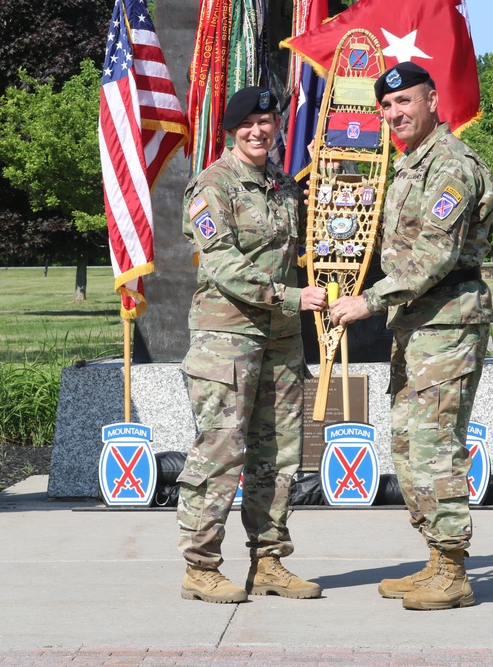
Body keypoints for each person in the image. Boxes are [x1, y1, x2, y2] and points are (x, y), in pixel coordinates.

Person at [328, 62, 493, 611]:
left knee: (437, 445)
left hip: (446, 323)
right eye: (387, 106)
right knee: (409, 444)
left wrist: (369, 300)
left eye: (406, 102)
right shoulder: (409, 167)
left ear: (432, 100)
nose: (396, 114)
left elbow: (435, 255)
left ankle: (453, 570)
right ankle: (435, 558)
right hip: (418, 327)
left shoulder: (450, 165)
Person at [176, 86, 328, 604]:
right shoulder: (211, 186)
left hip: (281, 339)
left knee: (279, 454)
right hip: (228, 339)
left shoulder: (283, 184)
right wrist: (289, 296)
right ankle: (201, 566)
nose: (259, 131)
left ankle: (269, 561)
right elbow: (220, 262)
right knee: (220, 451)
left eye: (267, 121)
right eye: (248, 123)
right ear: (229, 129)